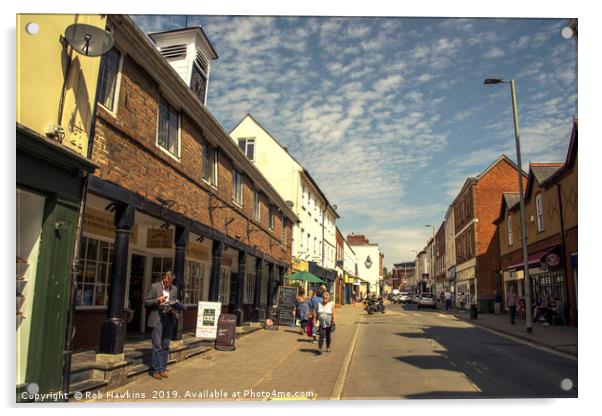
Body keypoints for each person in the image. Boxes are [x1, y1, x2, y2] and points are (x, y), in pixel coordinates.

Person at [144, 271, 184, 380]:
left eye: (171, 281)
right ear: (164, 278)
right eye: (167, 280)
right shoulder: (155, 287)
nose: (169, 283)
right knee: (157, 345)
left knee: (166, 345)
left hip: (169, 319)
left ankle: (162, 369)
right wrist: (157, 300)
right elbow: (146, 302)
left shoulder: (174, 289)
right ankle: (155, 370)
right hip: (157, 319)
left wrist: (175, 308)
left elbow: (175, 302)